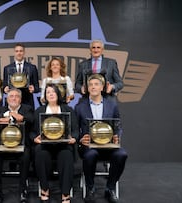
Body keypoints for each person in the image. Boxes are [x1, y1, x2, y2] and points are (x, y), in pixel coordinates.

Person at [74, 74, 128, 203]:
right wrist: (81, 139)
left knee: (122, 154)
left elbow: (118, 125)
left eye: (96, 84)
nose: (93, 87)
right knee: (90, 155)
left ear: (102, 87)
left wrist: (117, 137)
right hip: (89, 146)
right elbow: (74, 129)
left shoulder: (112, 105)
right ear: (87, 88)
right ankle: (90, 188)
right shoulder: (79, 107)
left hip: (108, 144)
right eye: (90, 85)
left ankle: (110, 188)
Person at [31, 84, 78, 203]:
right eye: (48, 92)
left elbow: (76, 130)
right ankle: (45, 188)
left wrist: (74, 138)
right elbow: (32, 131)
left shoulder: (68, 110)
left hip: (64, 145)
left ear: (58, 94)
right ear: (45, 96)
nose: (51, 94)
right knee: (41, 154)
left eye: (53, 92)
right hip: (44, 145)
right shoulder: (39, 111)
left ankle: (65, 192)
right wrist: (34, 139)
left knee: (66, 156)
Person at [0, 88, 34, 203]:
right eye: (11, 96)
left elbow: (31, 120)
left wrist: (22, 118)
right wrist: (8, 115)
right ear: (7, 99)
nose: (14, 98)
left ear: (20, 99)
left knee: (26, 155)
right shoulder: (0, 109)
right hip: (3, 147)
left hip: (22, 145)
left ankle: (22, 190)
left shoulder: (27, 108)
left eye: (16, 96)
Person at [3, 43, 39, 108]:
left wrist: (33, 89)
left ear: (24, 52)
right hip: (12, 101)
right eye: (17, 51)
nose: (19, 53)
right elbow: (4, 86)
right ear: (14, 53)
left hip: (27, 101)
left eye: (21, 51)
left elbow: (37, 87)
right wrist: (5, 89)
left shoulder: (32, 67)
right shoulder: (7, 68)